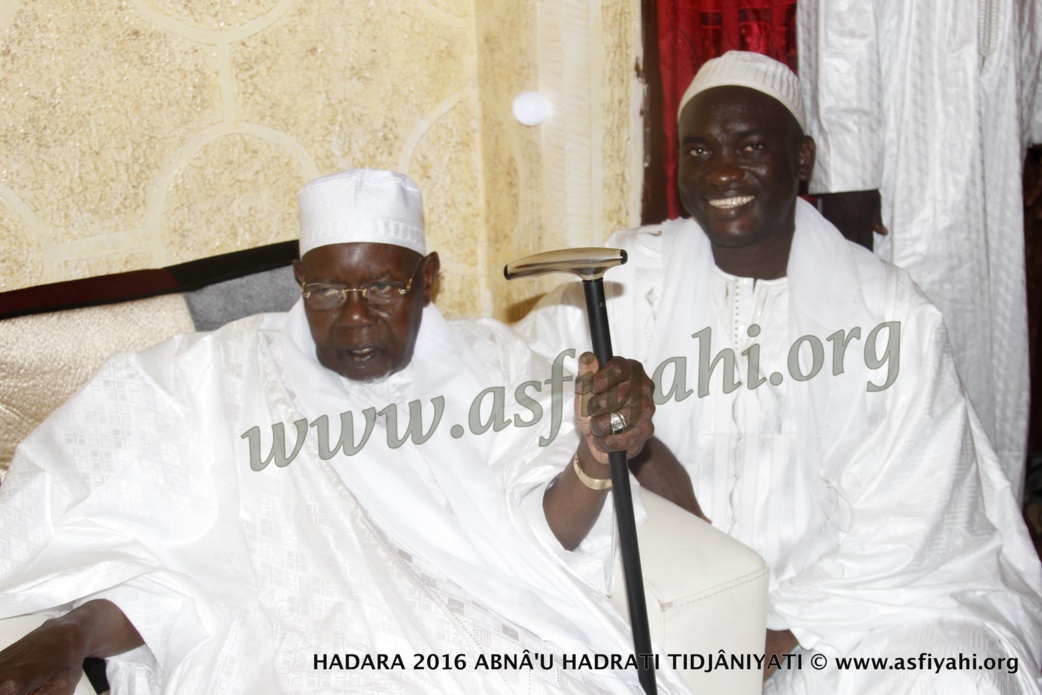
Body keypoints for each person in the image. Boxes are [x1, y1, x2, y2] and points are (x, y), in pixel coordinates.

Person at [0, 169, 688, 694]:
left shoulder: (496, 366)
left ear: (429, 279)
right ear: (299, 280)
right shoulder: (216, 375)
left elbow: (545, 537)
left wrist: (595, 455)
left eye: (384, 288)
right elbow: (173, 561)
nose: (355, 318)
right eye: (327, 291)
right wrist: (70, 630)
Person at [518, 51, 1042, 693]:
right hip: (652, 601)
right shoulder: (626, 283)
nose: (724, 172)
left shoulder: (887, 310)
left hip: (843, 613)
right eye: (700, 152)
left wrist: (781, 635)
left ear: (802, 158)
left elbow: (915, 514)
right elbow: (523, 415)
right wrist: (604, 430)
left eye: (751, 144)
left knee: (954, 670)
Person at [796, 0, 1042, 500]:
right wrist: (848, 177)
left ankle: (987, 528)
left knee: (990, 357)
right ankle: (906, 536)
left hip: (994, 160)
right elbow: (841, 36)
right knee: (908, 355)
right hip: (899, 175)